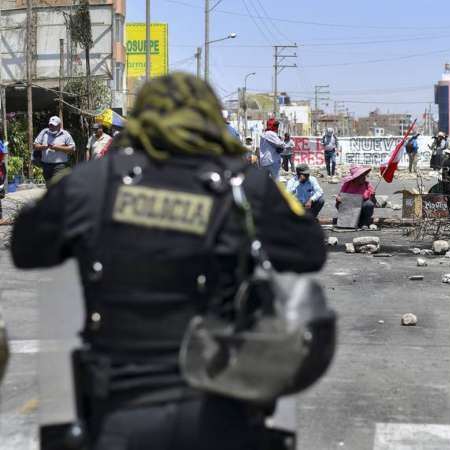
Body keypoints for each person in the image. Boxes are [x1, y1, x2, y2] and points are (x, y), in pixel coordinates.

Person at [10, 73, 327, 450]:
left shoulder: (94, 182)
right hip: (221, 405)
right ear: (210, 120)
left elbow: (26, 247)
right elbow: (309, 251)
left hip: (117, 409)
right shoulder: (242, 184)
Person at [33, 116, 75, 185]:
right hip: (46, 165)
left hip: (60, 166)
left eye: (54, 125)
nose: (52, 127)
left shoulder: (65, 134)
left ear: (59, 125)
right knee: (49, 186)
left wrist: (58, 148)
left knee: (57, 185)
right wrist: (42, 147)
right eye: (50, 125)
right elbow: (35, 145)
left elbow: (72, 149)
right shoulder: (44, 132)